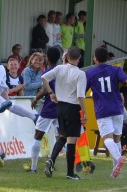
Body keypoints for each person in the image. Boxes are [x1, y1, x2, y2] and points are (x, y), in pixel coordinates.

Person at [86, 47, 127, 178]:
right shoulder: (116, 70)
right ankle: (115, 171)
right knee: (116, 140)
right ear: (107, 58)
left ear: (95, 58)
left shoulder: (90, 73)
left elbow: (82, 91)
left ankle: (119, 158)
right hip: (117, 108)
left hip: (102, 109)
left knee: (107, 139)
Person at [42, 46, 87, 180]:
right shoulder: (80, 74)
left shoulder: (59, 68)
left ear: (67, 57)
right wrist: (85, 113)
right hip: (72, 107)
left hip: (60, 106)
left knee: (62, 136)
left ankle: (52, 159)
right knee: (71, 140)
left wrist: (51, 93)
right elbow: (80, 96)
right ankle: (70, 173)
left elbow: (44, 78)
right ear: (79, 59)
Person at [24, 47, 60, 173]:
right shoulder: (60, 71)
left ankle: (33, 168)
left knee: (37, 136)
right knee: (61, 138)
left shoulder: (48, 72)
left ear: (47, 58)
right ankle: (53, 162)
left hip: (50, 108)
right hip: (61, 109)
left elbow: (45, 89)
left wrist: (35, 99)